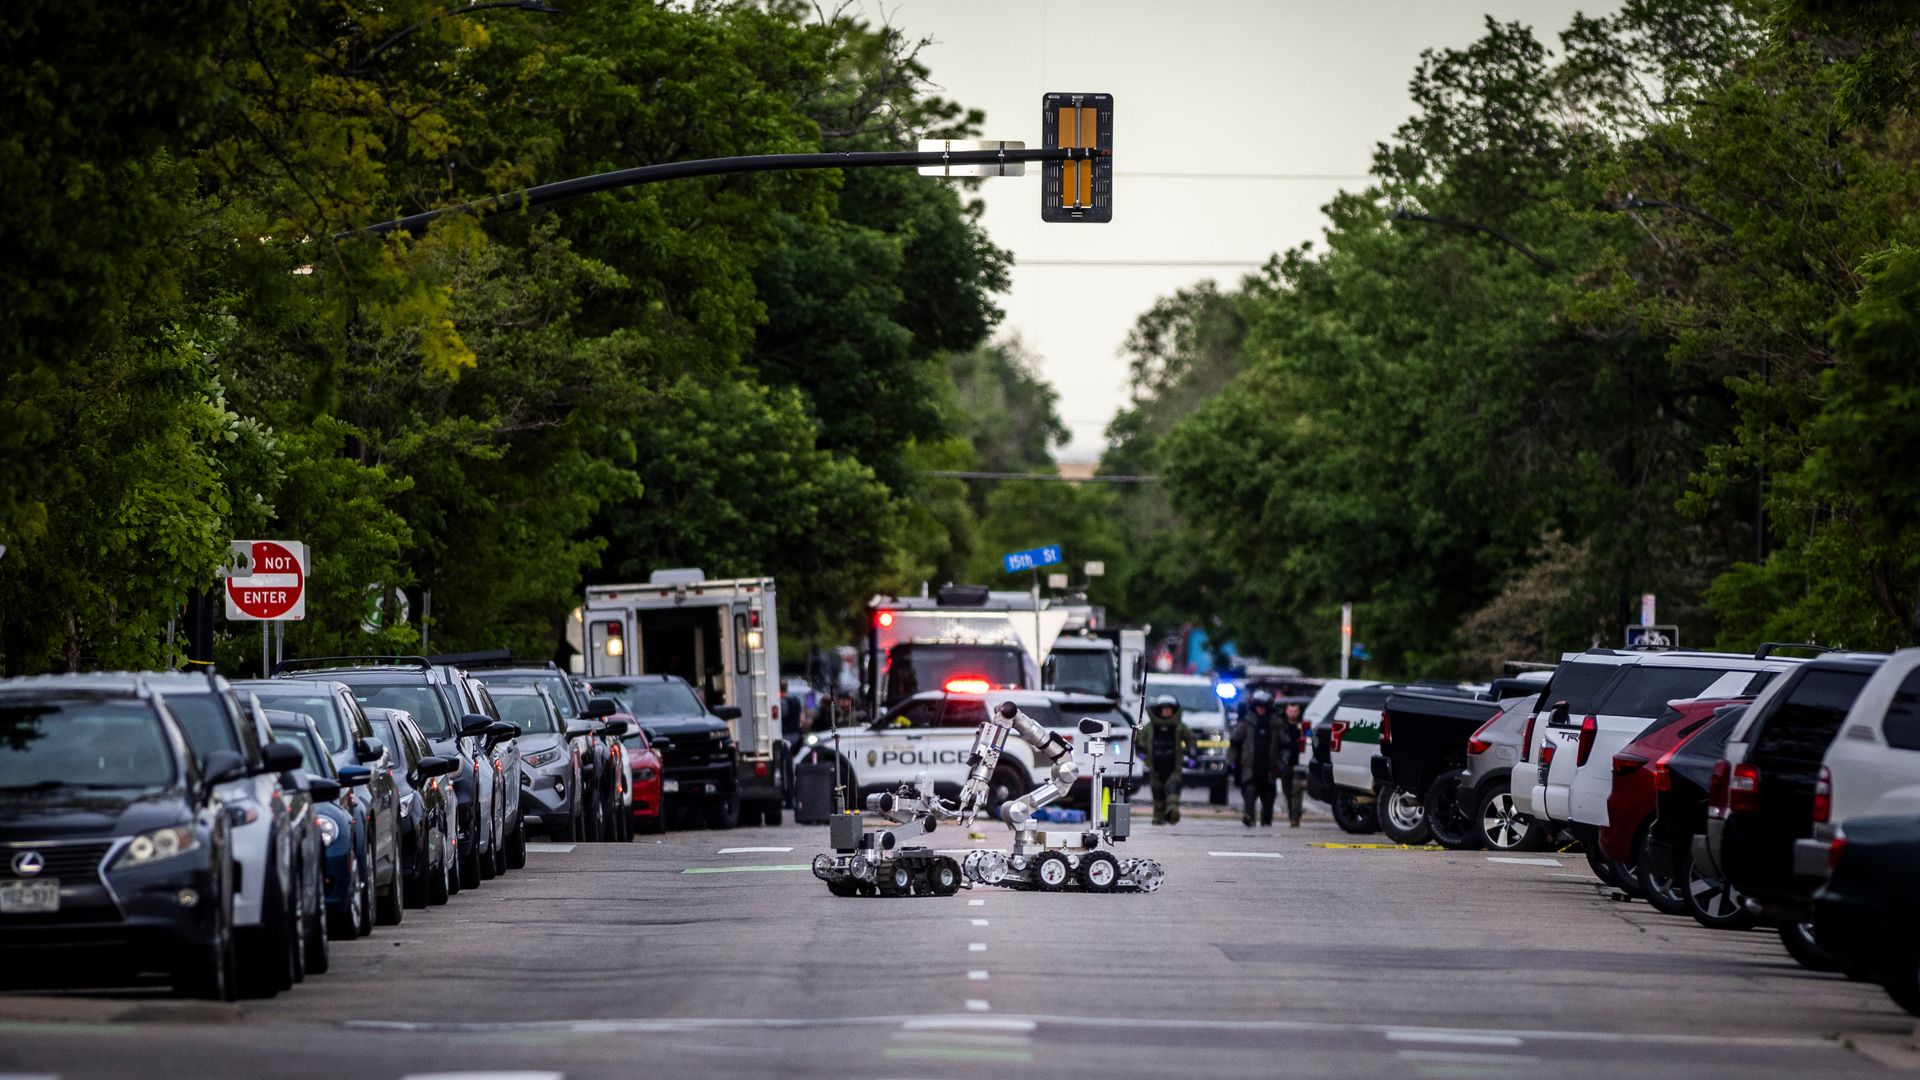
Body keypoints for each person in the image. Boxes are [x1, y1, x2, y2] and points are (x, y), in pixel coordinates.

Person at [1229, 689, 1289, 827]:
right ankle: (1249, 817)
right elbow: (1235, 742)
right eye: (1258, 707)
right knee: (1249, 797)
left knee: (1268, 803)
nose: (1261, 709)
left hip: (1269, 770)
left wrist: (1284, 759)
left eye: (1263, 707)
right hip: (1250, 769)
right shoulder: (1246, 723)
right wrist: (1231, 761)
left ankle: (1266, 824)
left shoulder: (1276, 724)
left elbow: (1285, 744)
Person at [1135, 694, 1196, 825]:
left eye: (1170, 709)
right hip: (1154, 766)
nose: (1167, 711)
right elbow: (1139, 741)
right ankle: (1158, 817)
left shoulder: (1179, 726)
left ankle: (1172, 811)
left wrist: (1192, 753)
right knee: (1157, 792)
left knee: (1173, 788)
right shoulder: (1149, 727)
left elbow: (1191, 739)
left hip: (1173, 765)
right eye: (1164, 709)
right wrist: (1141, 753)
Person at [1278, 699, 1308, 827]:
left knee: (1296, 790)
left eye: (1295, 711)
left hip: (1298, 762)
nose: (1293, 714)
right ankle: (1292, 814)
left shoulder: (1303, 727)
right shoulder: (1282, 726)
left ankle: (1295, 817)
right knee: (1287, 791)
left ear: (1299, 712)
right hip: (1285, 763)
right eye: (1290, 711)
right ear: (1286, 711)